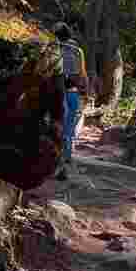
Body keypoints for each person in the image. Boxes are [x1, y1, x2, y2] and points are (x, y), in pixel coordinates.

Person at [53, 22, 88, 173]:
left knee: (59, 122)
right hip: (74, 92)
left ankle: (59, 156)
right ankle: (67, 155)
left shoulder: (55, 49)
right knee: (69, 124)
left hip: (59, 91)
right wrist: (84, 91)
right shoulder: (78, 51)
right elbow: (83, 73)